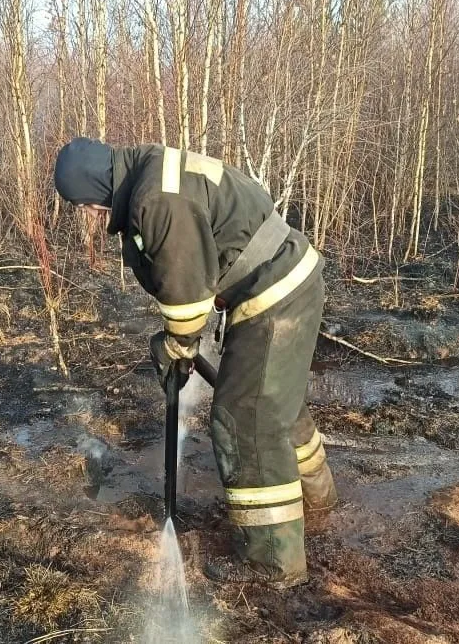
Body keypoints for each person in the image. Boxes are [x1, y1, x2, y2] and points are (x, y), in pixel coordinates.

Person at [53, 137, 337, 588]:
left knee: (246, 421)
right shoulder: (147, 169)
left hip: (275, 292)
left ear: (94, 189)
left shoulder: (154, 197)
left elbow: (187, 296)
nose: (90, 214)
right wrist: (176, 343)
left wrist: (177, 346)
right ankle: (319, 503)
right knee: (271, 400)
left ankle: (274, 565)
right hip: (284, 278)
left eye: (86, 205)